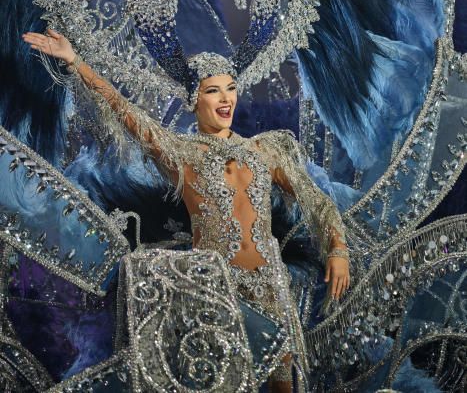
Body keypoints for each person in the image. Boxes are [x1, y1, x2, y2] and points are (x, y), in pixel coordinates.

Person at [22, 28, 350, 392]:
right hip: (217, 293)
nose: (226, 99)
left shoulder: (266, 151)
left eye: (230, 88)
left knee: (285, 385)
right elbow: (121, 108)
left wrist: (337, 250)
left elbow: (317, 201)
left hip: (272, 289)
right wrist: (76, 62)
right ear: (194, 100)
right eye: (213, 90)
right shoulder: (181, 154)